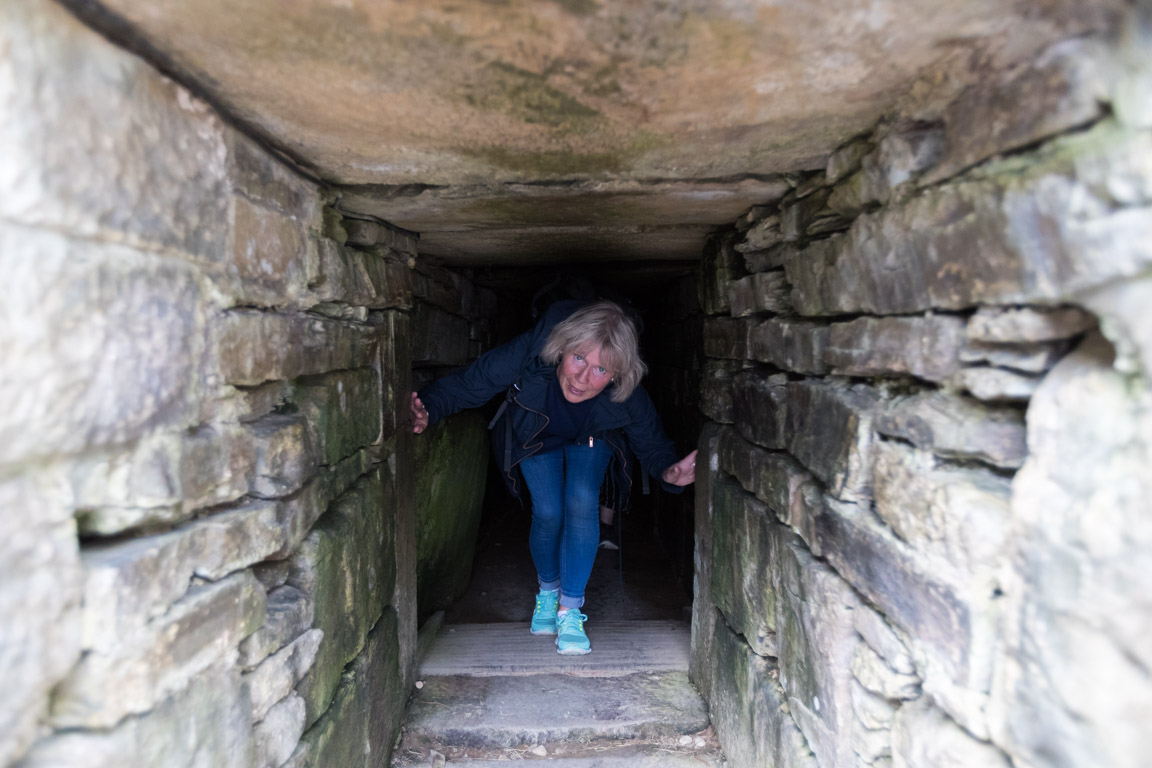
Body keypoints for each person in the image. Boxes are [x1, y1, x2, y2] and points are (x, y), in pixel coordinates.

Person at [408, 299, 696, 655]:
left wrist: (670, 473)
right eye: (579, 358)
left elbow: (653, 446)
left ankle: (569, 609)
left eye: (601, 370)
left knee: (581, 500)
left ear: (618, 374)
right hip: (536, 434)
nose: (583, 378)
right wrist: (429, 409)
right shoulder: (532, 349)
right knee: (548, 512)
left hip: (591, 436)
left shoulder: (628, 392)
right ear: (562, 349)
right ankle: (547, 591)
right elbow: (473, 383)